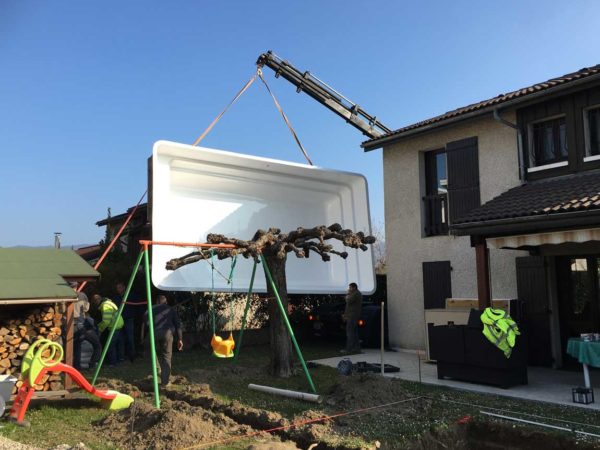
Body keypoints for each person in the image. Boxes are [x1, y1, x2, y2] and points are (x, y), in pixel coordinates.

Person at [142, 295, 183, 387]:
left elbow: (145, 322)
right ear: (166, 302)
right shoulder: (170, 309)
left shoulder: (150, 308)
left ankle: (157, 369)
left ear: (157, 302)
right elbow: (178, 325)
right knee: (166, 356)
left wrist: (143, 337)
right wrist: (180, 339)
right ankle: (165, 382)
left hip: (153, 332)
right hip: (167, 333)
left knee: (150, 352)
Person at [70, 283, 101, 370]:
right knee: (97, 345)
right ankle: (92, 364)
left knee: (76, 348)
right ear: (76, 286)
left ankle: (76, 367)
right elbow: (86, 309)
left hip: (69, 326)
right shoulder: (82, 295)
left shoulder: (64, 295)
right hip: (80, 325)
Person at [92, 294, 124, 366]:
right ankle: (120, 359)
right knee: (118, 344)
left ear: (97, 301)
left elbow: (106, 320)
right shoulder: (108, 302)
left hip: (114, 326)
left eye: (95, 303)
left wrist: (99, 329)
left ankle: (112, 363)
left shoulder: (105, 305)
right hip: (118, 324)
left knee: (110, 345)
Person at [114, 281, 136, 362]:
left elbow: (134, 307)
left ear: (124, 287)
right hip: (119, 320)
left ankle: (132, 356)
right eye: (117, 288)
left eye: (119, 287)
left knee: (130, 338)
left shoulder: (130, 296)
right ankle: (121, 357)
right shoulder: (116, 298)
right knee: (120, 339)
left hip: (128, 319)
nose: (118, 289)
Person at [342, 282, 363, 354]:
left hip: (353, 316)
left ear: (354, 287)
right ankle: (357, 349)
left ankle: (348, 349)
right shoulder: (355, 294)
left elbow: (348, 300)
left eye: (350, 287)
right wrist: (345, 315)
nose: (349, 289)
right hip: (352, 315)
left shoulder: (356, 294)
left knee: (350, 332)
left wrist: (347, 294)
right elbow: (348, 305)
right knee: (354, 333)